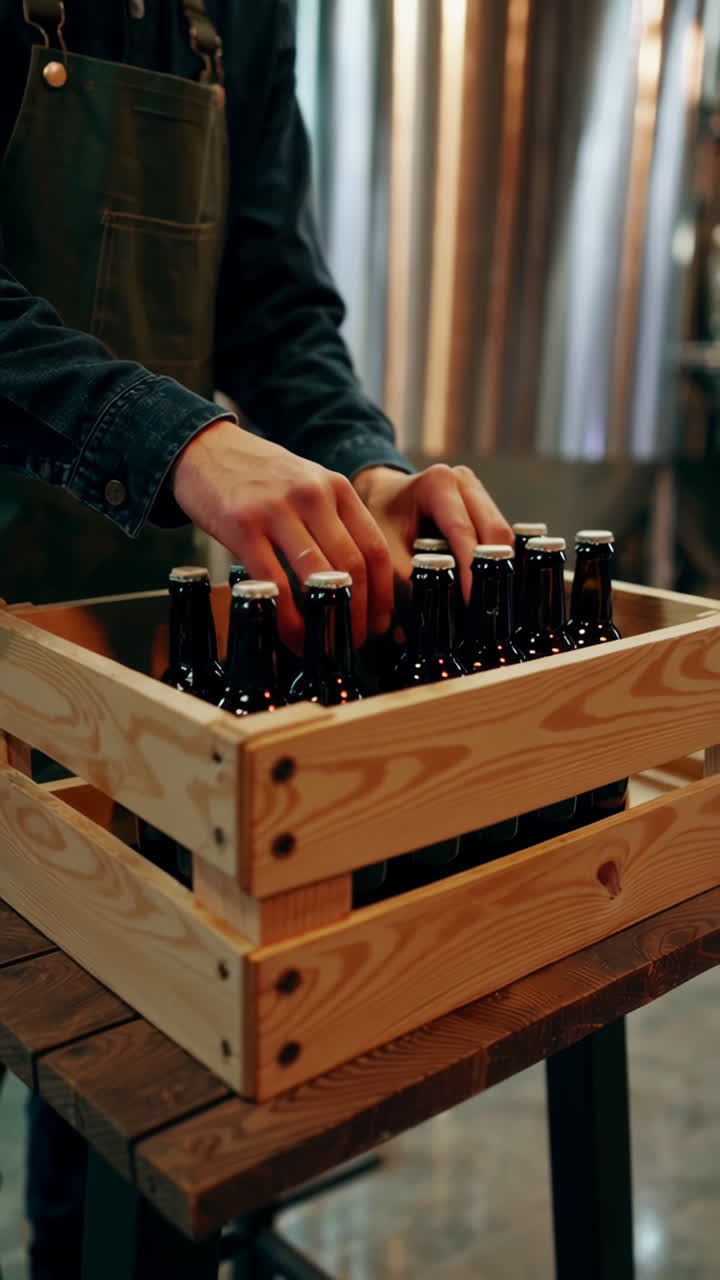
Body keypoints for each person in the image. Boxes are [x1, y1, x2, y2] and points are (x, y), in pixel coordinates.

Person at [0, 3, 511, 1274]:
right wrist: (175, 436)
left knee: (125, 1116)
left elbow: (277, 311)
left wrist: (363, 466)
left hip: (115, 649)